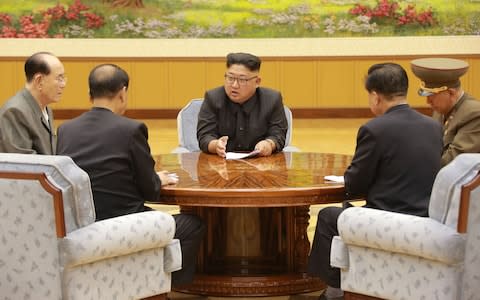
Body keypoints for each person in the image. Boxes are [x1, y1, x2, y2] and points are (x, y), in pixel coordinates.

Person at [56, 64, 205, 287]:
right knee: (193, 224)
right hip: (123, 224)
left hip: (80, 227)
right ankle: (164, 288)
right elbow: (151, 190)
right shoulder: (131, 129)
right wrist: (157, 179)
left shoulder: (66, 129)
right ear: (123, 92)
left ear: (90, 94)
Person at [307, 63, 443, 300]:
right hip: (425, 219)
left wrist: (350, 178)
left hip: (389, 221)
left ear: (375, 96)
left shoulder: (374, 129)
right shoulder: (433, 126)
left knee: (328, 217)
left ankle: (335, 290)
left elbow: (355, 186)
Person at [197, 52, 288, 157]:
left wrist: (269, 144)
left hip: (260, 164)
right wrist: (216, 145)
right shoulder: (213, 98)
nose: (235, 85)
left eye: (242, 80)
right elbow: (204, 136)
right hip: (221, 163)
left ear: (257, 81)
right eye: (230, 78)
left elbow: (278, 135)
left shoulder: (272, 99)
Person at [411, 57, 480, 166]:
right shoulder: (441, 109)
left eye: (432, 96)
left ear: (451, 93)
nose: (428, 101)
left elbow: (455, 160)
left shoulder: (474, 113)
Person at [0, 51, 66, 154]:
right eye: (59, 78)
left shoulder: (46, 107)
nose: (63, 84)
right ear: (39, 80)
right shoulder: (15, 111)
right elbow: (22, 163)